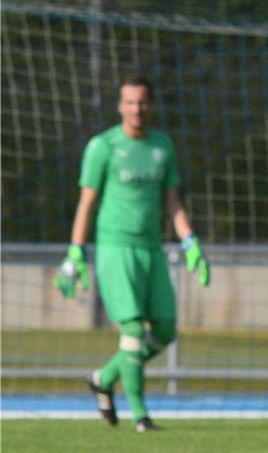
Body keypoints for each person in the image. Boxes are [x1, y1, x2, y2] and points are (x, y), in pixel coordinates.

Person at [55, 74, 209, 432]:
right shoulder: (103, 146)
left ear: (150, 105)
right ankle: (141, 415)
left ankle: (105, 377)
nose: (136, 108)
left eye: (142, 102)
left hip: (151, 249)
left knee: (167, 328)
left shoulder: (162, 146)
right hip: (115, 248)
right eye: (130, 102)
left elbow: (172, 201)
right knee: (134, 327)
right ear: (120, 106)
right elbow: (86, 203)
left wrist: (190, 243)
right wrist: (75, 251)